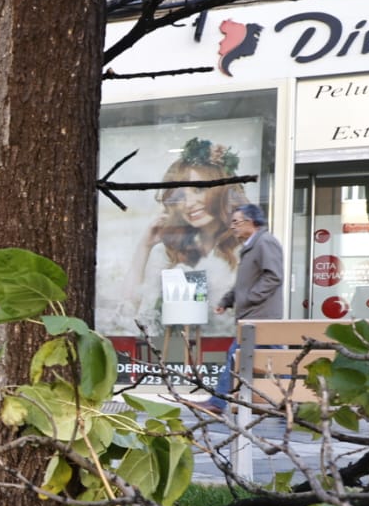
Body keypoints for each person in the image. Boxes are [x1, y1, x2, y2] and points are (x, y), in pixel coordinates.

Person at [121, 139, 244, 338]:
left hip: (224, 351)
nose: (189, 204)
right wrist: (144, 246)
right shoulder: (171, 251)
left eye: (198, 190)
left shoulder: (242, 250)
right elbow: (128, 311)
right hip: (172, 351)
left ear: (222, 191)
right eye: (180, 197)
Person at [201, 202, 283, 415]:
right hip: (254, 315)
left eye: (236, 222)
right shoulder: (251, 246)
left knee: (237, 354)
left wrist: (249, 298)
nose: (233, 227)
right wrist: (227, 301)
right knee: (276, 360)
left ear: (251, 222)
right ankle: (293, 401)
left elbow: (273, 276)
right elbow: (243, 283)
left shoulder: (265, 242)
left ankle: (217, 403)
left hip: (260, 315)